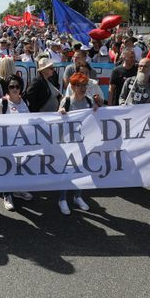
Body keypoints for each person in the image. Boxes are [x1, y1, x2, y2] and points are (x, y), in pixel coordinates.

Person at [57, 73, 99, 215]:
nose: (83, 88)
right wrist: (61, 112)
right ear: (73, 86)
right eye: (80, 85)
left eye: (85, 85)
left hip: (84, 142)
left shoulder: (89, 101)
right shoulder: (67, 101)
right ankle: (62, 199)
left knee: (81, 171)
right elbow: (57, 121)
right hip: (68, 143)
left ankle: (77, 197)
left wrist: (97, 109)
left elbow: (96, 119)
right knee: (67, 171)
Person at [0, 74, 35, 211]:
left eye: (17, 86)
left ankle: (18, 190)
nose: (15, 89)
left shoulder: (24, 102)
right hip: (6, 143)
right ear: (7, 88)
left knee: (20, 168)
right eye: (11, 86)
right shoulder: (2, 103)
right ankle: (7, 195)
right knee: (8, 169)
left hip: (22, 143)